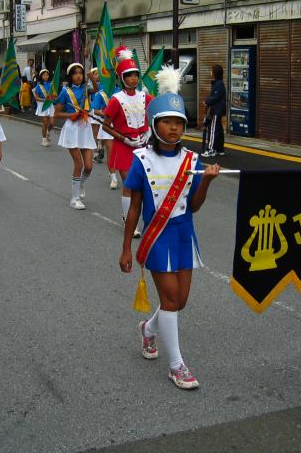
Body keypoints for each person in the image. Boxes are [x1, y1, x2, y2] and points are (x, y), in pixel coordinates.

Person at [119, 67, 220, 390]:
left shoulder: (192, 160)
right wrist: (125, 247)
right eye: (167, 122)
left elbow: (194, 206)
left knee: (179, 301)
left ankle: (148, 330)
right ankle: (176, 366)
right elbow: (134, 206)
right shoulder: (141, 159)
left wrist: (206, 182)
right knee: (172, 299)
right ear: (154, 125)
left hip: (183, 236)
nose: (174, 128)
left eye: (179, 123)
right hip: (157, 238)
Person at [103, 48, 154, 235]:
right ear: (122, 78)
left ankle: (140, 218)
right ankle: (128, 220)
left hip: (143, 147)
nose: (133, 78)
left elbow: (158, 116)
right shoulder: (116, 100)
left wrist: (149, 132)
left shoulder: (146, 97)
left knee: (143, 186)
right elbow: (106, 126)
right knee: (130, 185)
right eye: (129, 75)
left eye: (135, 74)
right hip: (124, 147)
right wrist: (124, 138)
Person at [55, 63, 97, 209]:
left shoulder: (87, 88)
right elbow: (57, 113)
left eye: (80, 73)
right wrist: (70, 115)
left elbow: (98, 91)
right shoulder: (65, 92)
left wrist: (93, 79)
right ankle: (74, 198)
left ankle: (79, 185)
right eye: (75, 73)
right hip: (72, 129)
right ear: (70, 76)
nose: (78, 75)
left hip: (85, 128)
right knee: (78, 164)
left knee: (89, 167)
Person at [90, 70, 118, 189]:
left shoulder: (121, 91)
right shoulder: (100, 94)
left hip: (121, 126)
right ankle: (113, 177)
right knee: (111, 152)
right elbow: (95, 110)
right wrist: (105, 114)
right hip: (108, 125)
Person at [202, 63, 227, 157]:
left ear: (215, 73)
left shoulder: (219, 84)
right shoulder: (218, 83)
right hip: (218, 110)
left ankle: (211, 149)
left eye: (212, 70)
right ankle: (219, 149)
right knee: (218, 129)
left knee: (212, 130)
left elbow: (215, 97)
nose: (210, 72)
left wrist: (206, 101)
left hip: (216, 110)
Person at [33, 69, 56, 147]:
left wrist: (53, 98)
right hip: (42, 105)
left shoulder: (51, 84)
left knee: (52, 123)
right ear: (41, 76)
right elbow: (36, 97)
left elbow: (54, 94)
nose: (46, 76)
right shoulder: (39, 85)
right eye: (44, 75)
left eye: (47, 75)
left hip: (50, 105)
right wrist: (44, 100)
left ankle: (48, 132)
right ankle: (44, 139)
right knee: (45, 123)